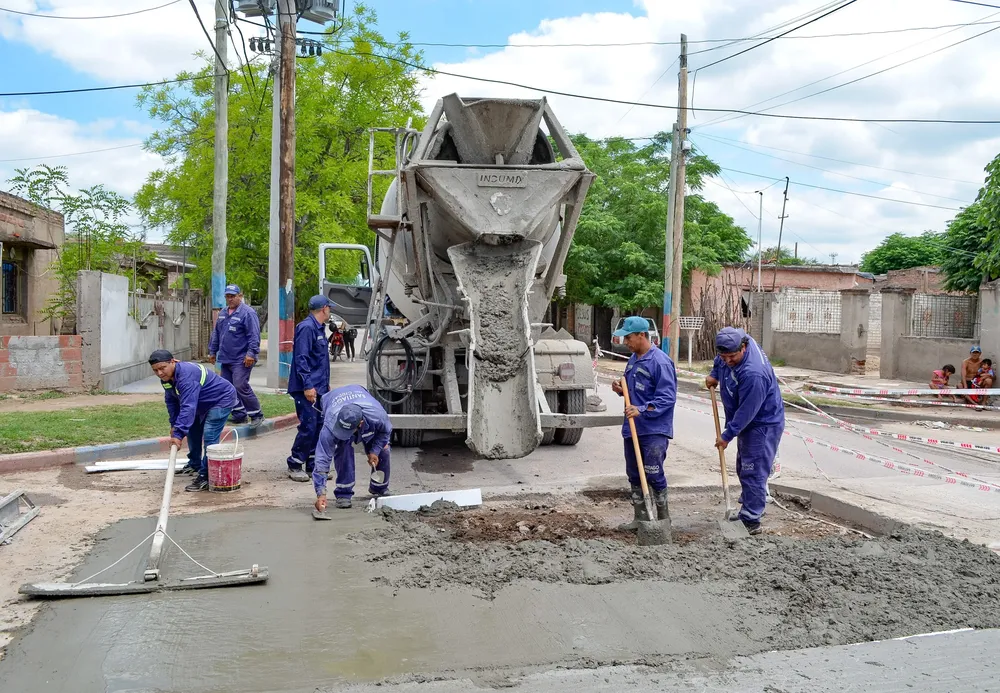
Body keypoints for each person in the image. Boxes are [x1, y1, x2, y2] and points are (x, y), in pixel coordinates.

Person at [705, 327, 785, 536]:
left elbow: (746, 412)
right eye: (724, 356)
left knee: (753, 470)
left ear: (744, 347)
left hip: (762, 422)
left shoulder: (753, 373)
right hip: (749, 422)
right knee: (744, 467)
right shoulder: (733, 340)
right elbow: (721, 359)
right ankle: (749, 505)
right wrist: (715, 374)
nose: (728, 361)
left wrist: (727, 435)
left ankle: (751, 520)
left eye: (732, 356)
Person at [608, 315, 676, 532]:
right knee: (635, 474)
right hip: (633, 428)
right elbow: (635, 390)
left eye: (628, 338)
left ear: (642, 335)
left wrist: (642, 409)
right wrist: (622, 391)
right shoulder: (634, 359)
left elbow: (666, 398)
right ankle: (642, 519)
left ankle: (663, 521)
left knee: (653, 472)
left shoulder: (660, 362)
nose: (625, 342)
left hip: (654, 429)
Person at [149, 349, 238, 492]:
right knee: (192, 431)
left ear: (173, 362)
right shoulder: (166, 379)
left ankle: (206, 475)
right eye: (155, 370)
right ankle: (194, 464)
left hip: (220, 400)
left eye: (162, 368)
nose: (159, 373)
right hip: (200, 402)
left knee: (209, 435)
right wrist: (174, 424)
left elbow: (188, 406)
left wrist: (178, 434)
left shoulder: (186, 376)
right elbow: (172, 401)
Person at [312, 385, 392, 511]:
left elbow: (385, 433)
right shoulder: (331, 423)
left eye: (347, 430)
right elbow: (322, 458)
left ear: (360, 424)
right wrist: (320, 492)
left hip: (362, 403)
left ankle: (379, 487)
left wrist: (374, 451)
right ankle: (343, 493)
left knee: (384, 449)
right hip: (333, 400)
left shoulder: (378, 416)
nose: (344, 433)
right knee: (343, 447)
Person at [286, 295, 335, 482]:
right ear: (324, 309)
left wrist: (324, 384)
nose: (330, 311)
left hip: (319, 387)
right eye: (329, 308)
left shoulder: (319, 328)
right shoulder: (307, 328)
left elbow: (319, 361)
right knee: (309, 425)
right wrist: (307, 385)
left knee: (319, 426)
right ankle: (295, 463)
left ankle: (313, 464)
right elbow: (302, 359)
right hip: (306, 388)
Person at [208, 284, 263, 427]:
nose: (230, 299)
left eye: (233, 296)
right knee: (226, 387)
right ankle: (239, 414)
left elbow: (254, 336)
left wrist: (251, 353)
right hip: (226, 357)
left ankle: (256, 414)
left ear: (240, 296)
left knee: (240, 385)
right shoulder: (223, 313)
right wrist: (212, 351)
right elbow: (217, 334)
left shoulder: (248, 313)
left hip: (242, 358)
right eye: (228, 296)